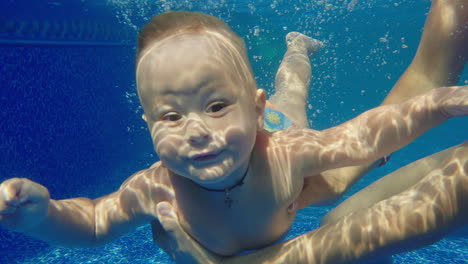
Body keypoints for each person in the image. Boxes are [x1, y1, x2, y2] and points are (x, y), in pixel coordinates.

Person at [0, 1, 466, 264]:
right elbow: (97, 220)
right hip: (257, 130)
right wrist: (43, 215)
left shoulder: (284, 152)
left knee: (293, 92)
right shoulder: (158, 187)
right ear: (148, 125)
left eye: (216, 106)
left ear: (253, 109)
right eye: (171, 116)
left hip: (279, 128)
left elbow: (364, 136)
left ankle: (296, 48)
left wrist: (440, 103)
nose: (197, 131)